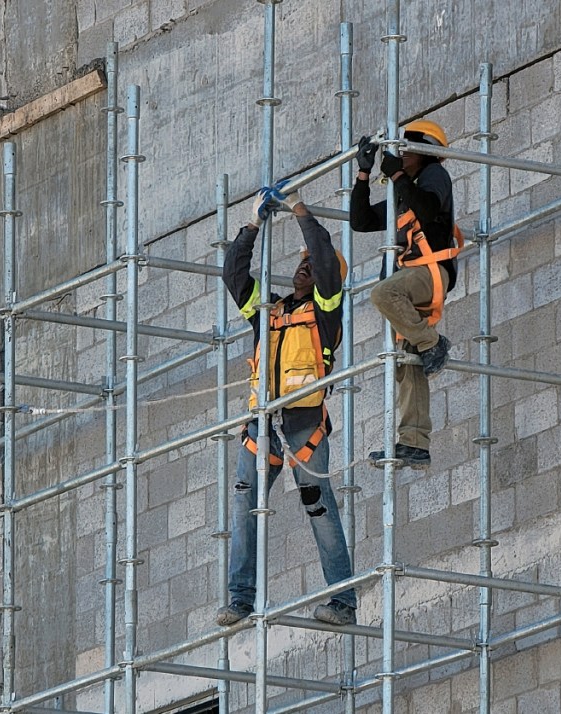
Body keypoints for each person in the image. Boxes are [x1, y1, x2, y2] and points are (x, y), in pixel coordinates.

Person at [216, 183, 357, 628]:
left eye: (311, 267)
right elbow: (234, 275)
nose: (304, 269)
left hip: (303, 426)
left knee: (319, 506)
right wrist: (252, 224)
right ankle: (241, 598)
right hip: (262, 427)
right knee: (243, 504)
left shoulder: (327, 309)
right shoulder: (269, 313)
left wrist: (298, 208)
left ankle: (343, 601)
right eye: (301, 265)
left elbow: (323, 249)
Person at [350, 120, 462, 470]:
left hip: (430, 272)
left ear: (423, 149)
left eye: (406, 147)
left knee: (382, 294)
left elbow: (428, 210)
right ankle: (415, 443)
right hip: (413, 278)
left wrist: (397, 177)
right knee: (407, 364)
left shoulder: (434, 177)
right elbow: (362, 221)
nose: (400, 153)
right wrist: (363, 176)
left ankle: (433, 343)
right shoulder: (406, 190)